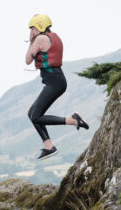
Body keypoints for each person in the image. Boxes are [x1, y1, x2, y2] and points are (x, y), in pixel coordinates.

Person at [25, 14, 89, 160]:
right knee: (32, 114)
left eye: (32, 28)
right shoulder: (53, 37)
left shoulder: (40, 39)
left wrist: (31, 41)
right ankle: (49, 146)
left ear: (39, 26)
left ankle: (73, 121)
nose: (31, 31)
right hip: (56, 80)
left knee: (35, 115)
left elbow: (28, 60)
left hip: (55, 81)